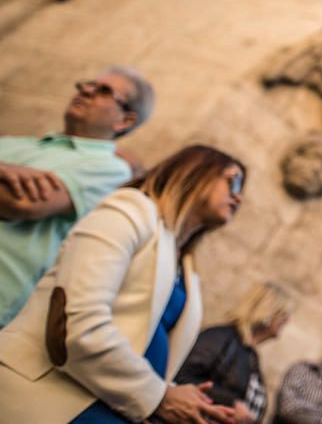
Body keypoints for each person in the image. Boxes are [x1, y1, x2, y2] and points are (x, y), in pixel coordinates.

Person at [0, 144, 245, 423]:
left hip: (115, 408)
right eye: (232, 181)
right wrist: (158, 396)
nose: (238, 196)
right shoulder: (130, 210)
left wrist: (187, 401)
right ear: (195, 171)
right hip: (47, 401)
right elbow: (74, 323)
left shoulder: (188, 270)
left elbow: (141, 345)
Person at [0, 66, 154, 326]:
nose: (86, 90)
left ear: (125, 121)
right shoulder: (13, 144)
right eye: (86, 85)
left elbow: (22, 202)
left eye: (103, 91)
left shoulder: (109, 168)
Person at [176, 281, 293, 424]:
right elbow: (182, 376)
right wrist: (232, 403)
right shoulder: (221, 338)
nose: (287, 320)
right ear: (268, 312)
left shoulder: (251, 356)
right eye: (283, 314)